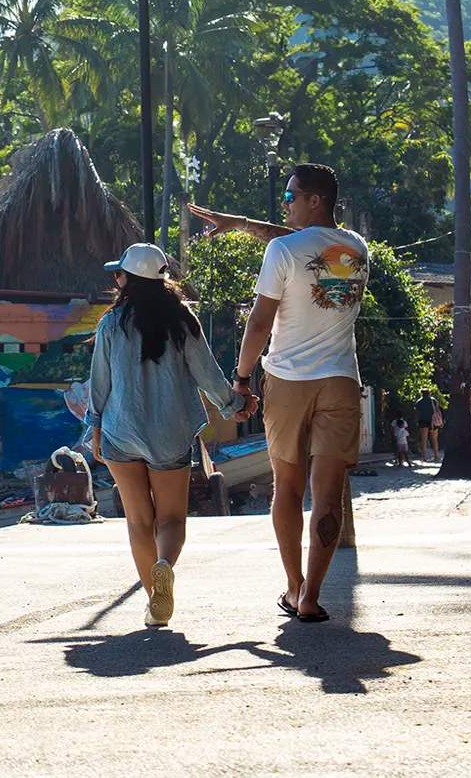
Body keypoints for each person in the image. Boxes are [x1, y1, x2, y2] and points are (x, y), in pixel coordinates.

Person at [191, 161, 369, 625]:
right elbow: (301, 243)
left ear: (314, 200)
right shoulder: (355, 249)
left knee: (287, 488)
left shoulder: (284, 253)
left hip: (289, 381)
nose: (284, 203)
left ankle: (292, 586)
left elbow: (259, 321)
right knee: (327, 495)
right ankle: (311, 597)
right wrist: (242, 225)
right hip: (341, 382)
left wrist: (242, 378)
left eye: (291, 197)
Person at [87, 241, 256, 627]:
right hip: (170, 433)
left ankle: (154, 601)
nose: (116, 279)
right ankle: (164, 565)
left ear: (127, 280)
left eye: (119, 274)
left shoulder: (111, 323)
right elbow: (207, 374)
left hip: (120, 430)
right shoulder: (183, 321)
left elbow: (100, 384)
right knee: (173, 520)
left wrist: (94, 428)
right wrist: (236, 405)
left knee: (138, 521)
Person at [415, 389, 437, 462]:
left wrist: (417, 421)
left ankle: (424, 457)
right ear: (429, 393)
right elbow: (437, 410)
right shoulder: (433, 400)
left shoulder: (419, 402)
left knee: (424, 440)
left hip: (423, 421)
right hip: (433, 421)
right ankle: (436, 455)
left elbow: (417, 413)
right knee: (434, 439)